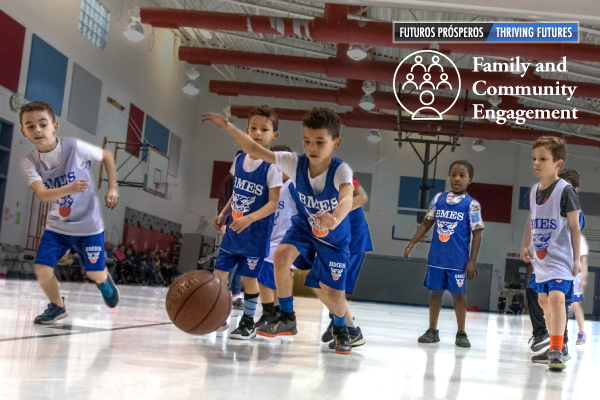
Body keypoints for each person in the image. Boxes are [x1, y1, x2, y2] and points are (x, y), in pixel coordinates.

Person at [204, 107, 355, 354]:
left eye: (320, 142)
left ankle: (341, 328)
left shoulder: (340, 170)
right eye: (307, 141)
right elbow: (254, 150)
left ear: (335, 143)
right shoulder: (295, 163)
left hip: (335, 238)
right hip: (306, 228)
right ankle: (287, 316)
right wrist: (227, 127)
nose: (312, 148)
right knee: (280, 256)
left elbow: (347, 198)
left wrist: (335, 217)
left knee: (335, 295)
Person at [19, 101, 119, 324]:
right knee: (42, 269)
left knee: (93, 273)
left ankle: (103, 281)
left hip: (89, 226)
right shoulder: (29, 161)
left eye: (42, 124)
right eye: (30, 126)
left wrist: (112, 188)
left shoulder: (74, 148)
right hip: (58, 226)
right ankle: (57, 306)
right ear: (23, 131)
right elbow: (43, 195)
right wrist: (69, 188)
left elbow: (107, 156)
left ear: (54, 127)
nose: (37, 130)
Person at [210, 105, 283, 340]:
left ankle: (248, 322)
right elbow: (236, 191)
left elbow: (273, 203)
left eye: (264, 129)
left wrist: (250, 218)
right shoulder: (240, 158)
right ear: (246, 130)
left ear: (274, 135)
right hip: (234, 229)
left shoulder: (273, 166)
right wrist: (223, 213)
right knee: (219, 274)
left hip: (256, 233)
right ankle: (220, 316)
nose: (258, 133)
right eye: (253, 128)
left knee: (249, 278)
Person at [404, 160, 484, 348]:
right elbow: (426, 223)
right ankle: (432, 330)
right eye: (453, 174)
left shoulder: (472, 205)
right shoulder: (438, 199)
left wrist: (472, 261)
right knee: (435, 293)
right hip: (437, 258)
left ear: (469, 179)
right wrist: (412, 243)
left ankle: (461, 332)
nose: (457, 179)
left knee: (459, 295)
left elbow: (477, 234)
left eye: (462, 175)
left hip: (458, 260)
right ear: (449, 176)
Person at [521, 137, 581, 371]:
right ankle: (554, 346)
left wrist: (577, 258)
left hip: (562, 260)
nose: (536, 163)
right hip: (541, 260)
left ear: (558, 163)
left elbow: (575, 226)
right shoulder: (533, 191)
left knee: (556, 298)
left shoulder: (565, 191)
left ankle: (557, 349)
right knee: (543, 300)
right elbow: (532, 221)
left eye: (543, 159)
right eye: (534, 159)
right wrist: (526, 245)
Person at [292, 176, 372, 348]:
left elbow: (362, 197)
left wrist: (335, 213)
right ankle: (338, 320)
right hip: (331, 240)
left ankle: (349, 329)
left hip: (350, 239)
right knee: (318, 282)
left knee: (327, 284)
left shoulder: (337, 173)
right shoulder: (303, 181)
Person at [255, 144, 294, 328]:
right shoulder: (270, 186)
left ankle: (270, 312)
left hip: (286, 240)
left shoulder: (294, 185)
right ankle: (275, 312)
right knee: (271, 277)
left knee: (265, 272)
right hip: (269, 239)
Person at [558, 168, 589, 345]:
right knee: (546, 302)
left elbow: (582, 259)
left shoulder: (577, 219)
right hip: (553, 265)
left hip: (571, 270)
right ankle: (554, 337)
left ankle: (575, 334)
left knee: (568, 304)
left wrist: (582, 276)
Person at [217, 171, 243, 311]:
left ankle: (235, 296)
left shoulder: (253, 179)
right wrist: (223, 225)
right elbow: (222, 202)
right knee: (229, 263)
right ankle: (222, 295)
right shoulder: (230, 179)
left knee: (239, 261)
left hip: (243, 227)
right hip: (230, 226)